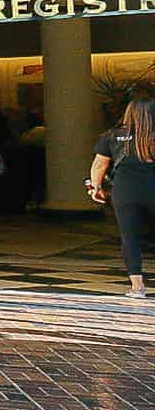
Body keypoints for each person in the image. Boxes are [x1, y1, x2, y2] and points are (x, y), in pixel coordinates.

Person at [88, 92, 155, 303]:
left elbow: (100, 164)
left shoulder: (112, 135)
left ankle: (138, 286)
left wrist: (95, 187)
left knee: (130, 238)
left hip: (125, 192)